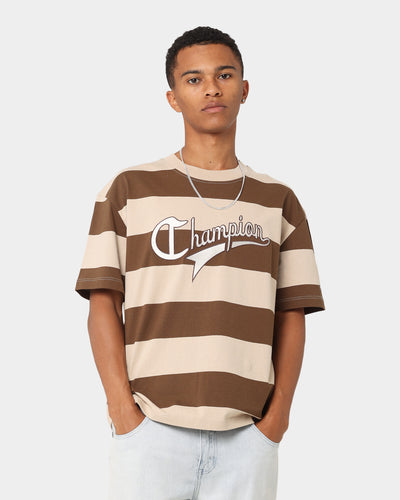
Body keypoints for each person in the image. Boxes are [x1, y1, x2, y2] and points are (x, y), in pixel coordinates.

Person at [75, 25, 325, 500]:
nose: (211, 88)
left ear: (244, 89)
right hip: (151, 433)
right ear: (173, 98)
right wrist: (123, 413)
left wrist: (277, 420)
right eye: (194, 79)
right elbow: (102, 303)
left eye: (224, 75)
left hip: (248, 438)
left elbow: (292, 313)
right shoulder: (129, 189)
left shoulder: (279, 201)